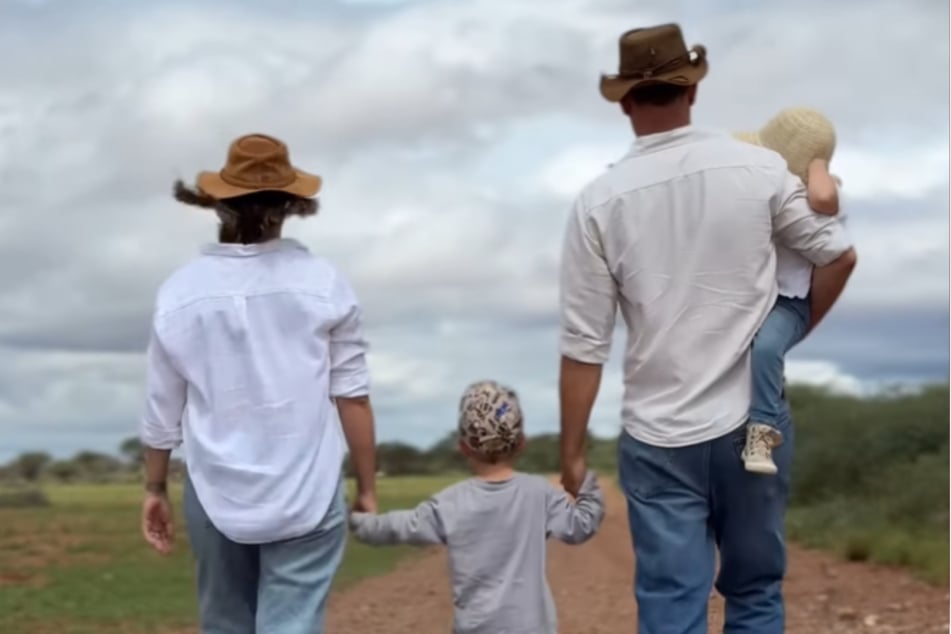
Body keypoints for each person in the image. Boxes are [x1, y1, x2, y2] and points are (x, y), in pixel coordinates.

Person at [557, 24, 856, 634]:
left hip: (658, 432)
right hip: (754, 424)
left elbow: (585, 346)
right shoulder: (760, 169)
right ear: (691, 90)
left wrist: (571, 451)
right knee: (753, 591)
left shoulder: (597, 201)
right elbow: (838, 255)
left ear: (623, 101)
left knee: (670, 600)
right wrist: (786, 334)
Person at [138, 133, 378, 634]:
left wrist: (155, 487)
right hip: (307, 494)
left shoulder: (180, 292)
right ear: (291, 205)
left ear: (218, 203)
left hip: (214, 493)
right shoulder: (324, 283)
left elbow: (162, 411)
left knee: (224, 623)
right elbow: (351, 396)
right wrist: (367, 488)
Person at [351, 380, 604, 634]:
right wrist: (584, 482)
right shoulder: (539, 493)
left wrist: (361, 522)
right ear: (521, 443)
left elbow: (399, 527)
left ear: (463, 447)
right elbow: (580, 525)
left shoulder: (449, 502)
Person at [735, 107, 844, 474]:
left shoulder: (811, 198)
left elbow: (825, 198)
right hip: (752, 298)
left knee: (766, 348)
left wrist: (815, 164)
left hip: (787, 303)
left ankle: (762, 431)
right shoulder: (756, 193)